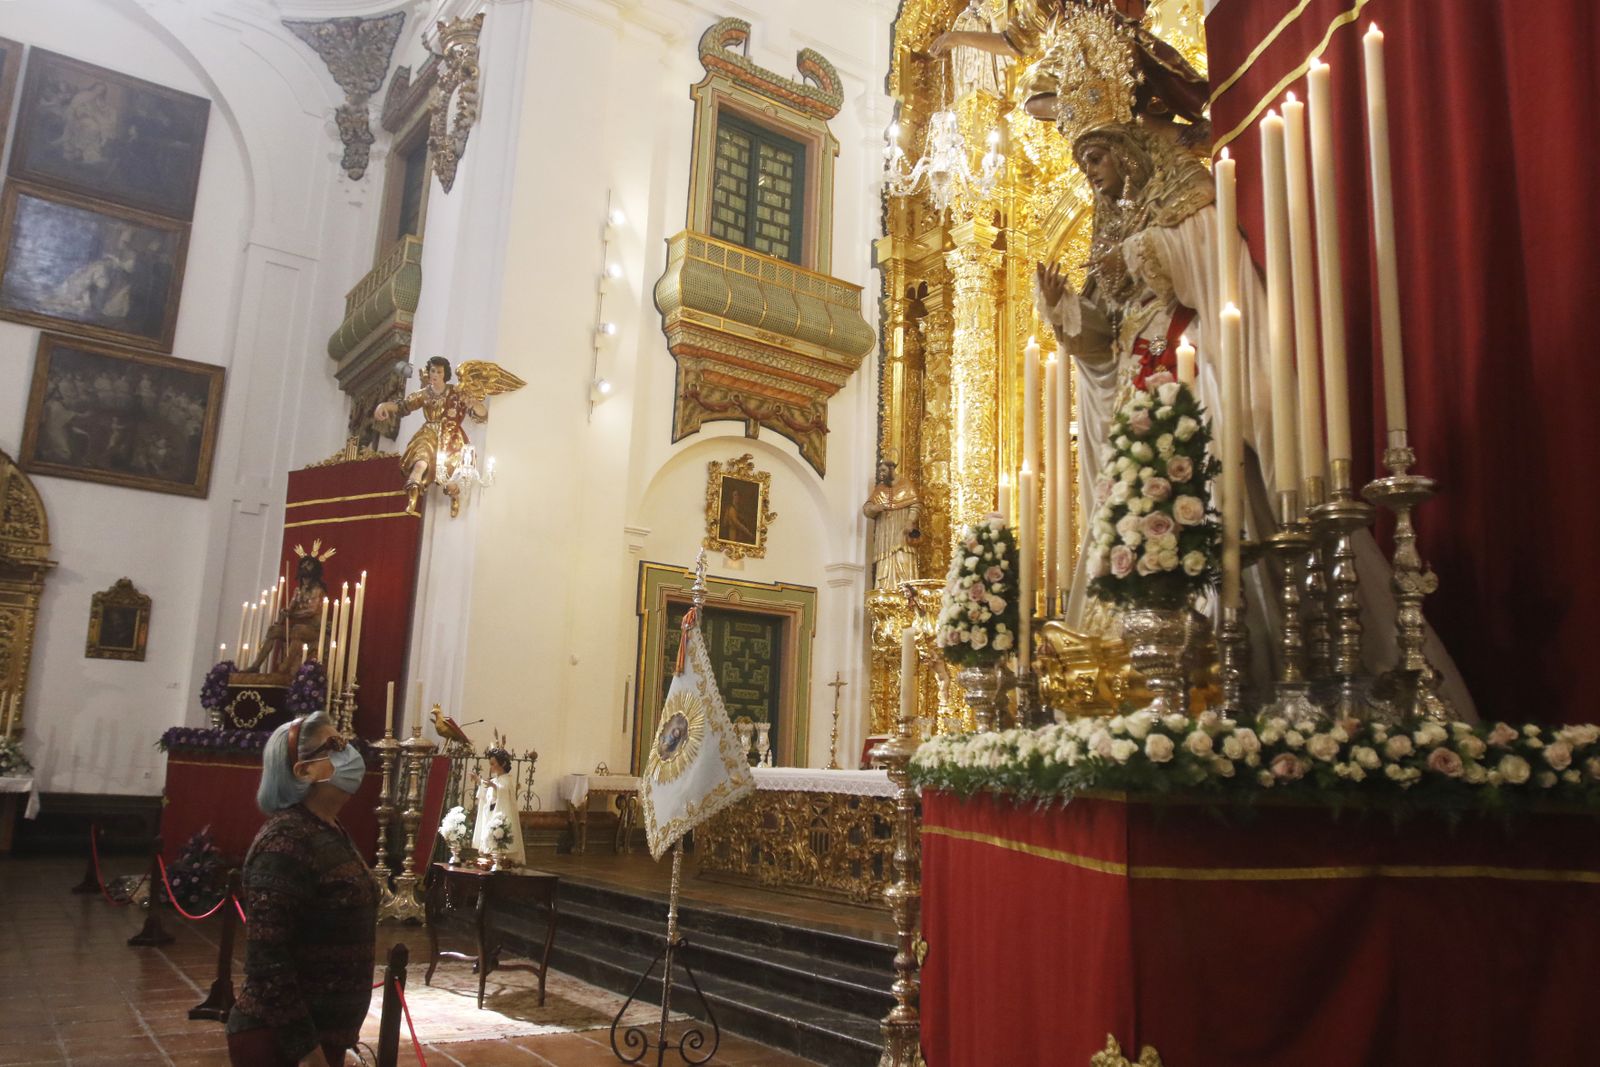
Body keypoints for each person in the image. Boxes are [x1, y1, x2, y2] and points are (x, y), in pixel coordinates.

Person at [227, 713, 377, 1067]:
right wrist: (308, 1053)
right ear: (304, 771)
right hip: (279, 1042)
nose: (349, 752)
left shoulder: (326, 827)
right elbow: (267, 962)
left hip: (323, 1036)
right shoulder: (285, 840)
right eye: (335, 746)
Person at [373, 356, 485, 518]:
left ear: (444, 374)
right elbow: (403, 406)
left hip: (451, 436)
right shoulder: (424, 394)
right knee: (419, 464)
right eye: (433, 370)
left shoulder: (456, 393)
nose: (435, 375)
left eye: (439, 372)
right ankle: (412, 499)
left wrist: (475, 404)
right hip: (429, 433)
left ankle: (454, 496)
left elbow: (482, 415)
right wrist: (383, 406)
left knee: (450, 476)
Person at [246, 554, 329, 675]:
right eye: (303, 564)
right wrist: (285, 612)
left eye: (309, 565)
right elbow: (291, 608)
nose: (305, 567)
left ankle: (286, 668)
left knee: (297, 630)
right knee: (274, 630)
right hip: (296, 626)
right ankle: (256, 665)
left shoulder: (318, 590)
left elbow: (312, 610)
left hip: (313, 629)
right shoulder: (298, 590)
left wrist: (292, 615)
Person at [862, 458, 923, 591]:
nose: (881, 474)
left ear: (891, 469)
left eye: (883, 470)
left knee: (903, 560)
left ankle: (907, 594)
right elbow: (867, 508)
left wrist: (909, 521)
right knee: (885, 565)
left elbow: (916, 504)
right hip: (884, 536)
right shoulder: (880, 489)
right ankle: (885, 592)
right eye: (879, 471)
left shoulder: (906, 484)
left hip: (902, 531)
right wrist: (874, 508)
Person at [469, 744, 526, 867]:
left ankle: (502, 857)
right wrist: (479, 781)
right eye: (490, 764)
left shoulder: (507, 779)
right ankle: (490, 855)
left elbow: (504, 792)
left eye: (493, 763)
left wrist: (494, 787)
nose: (491, 767)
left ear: (503, 764)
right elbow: (486, 792)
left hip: (500, 815)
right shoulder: (495, 780)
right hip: (491, 814)